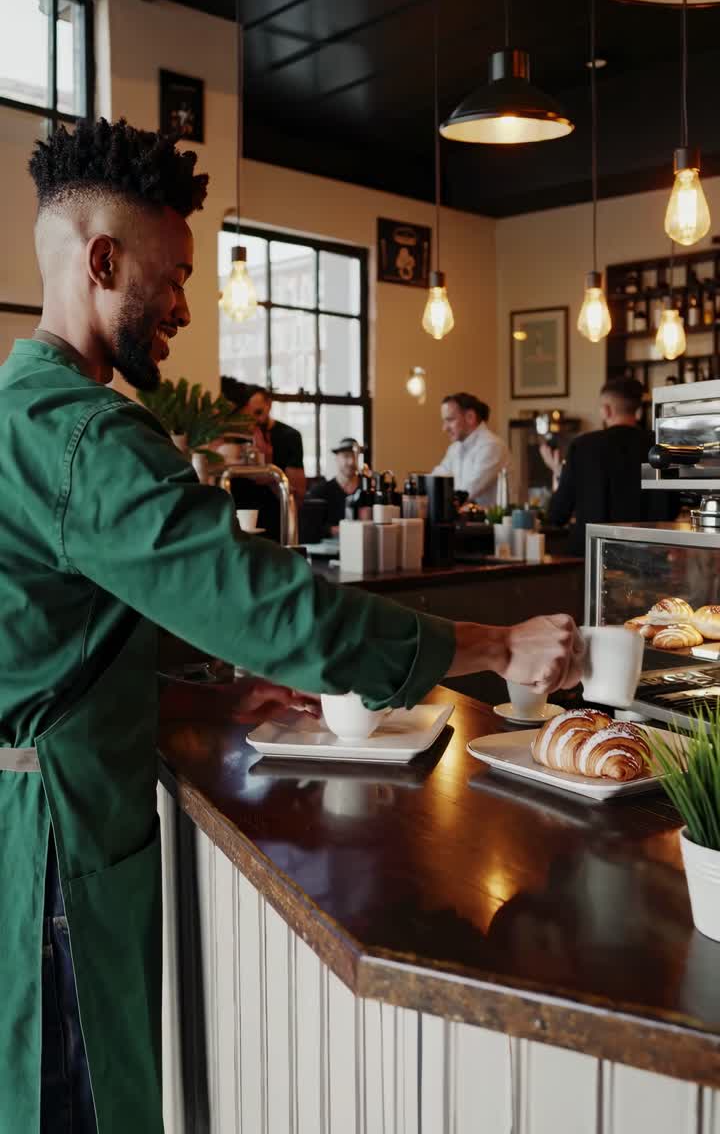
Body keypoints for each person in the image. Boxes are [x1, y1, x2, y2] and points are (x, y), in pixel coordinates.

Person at [0, 116, 582, 1133]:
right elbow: (271, 607)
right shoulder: (85, 432)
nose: (186, 304)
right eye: (173, 273)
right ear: (102, 260)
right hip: (55, 841)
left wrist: (205, 693)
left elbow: (46, 636)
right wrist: (494, 647)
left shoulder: (20, 405)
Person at [541, 377, 665, 557]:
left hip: (591, 556)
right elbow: (668, 507)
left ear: (607, 410)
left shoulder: (583, 446)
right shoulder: (656, 447)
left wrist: (556, 471)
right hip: (645, 555)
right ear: (637, 409)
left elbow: (558, 514)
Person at [222, 378, 306, 507]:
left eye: (258, 412)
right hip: (237, 513)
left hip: (274, 515)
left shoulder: (289, 437)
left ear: (269, 405)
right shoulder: (230, 437)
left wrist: (268, 473)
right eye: (245, 416)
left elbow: (297, 498)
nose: (254, 422)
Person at [433, 392, 511, 506]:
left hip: (493, 523)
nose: (444, 428)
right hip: (469, 522)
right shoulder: (454, 448)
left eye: (450, 420)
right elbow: (437, 479)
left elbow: (467, 492)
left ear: (470, 417)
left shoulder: (491, 446)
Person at [308, 436, 362, 533]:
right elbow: (311, 527)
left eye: (355, 456)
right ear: (337, 458)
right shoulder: (321, 491)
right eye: (346, 456)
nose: (351, 462)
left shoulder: (368, 490)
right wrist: (338, 530)